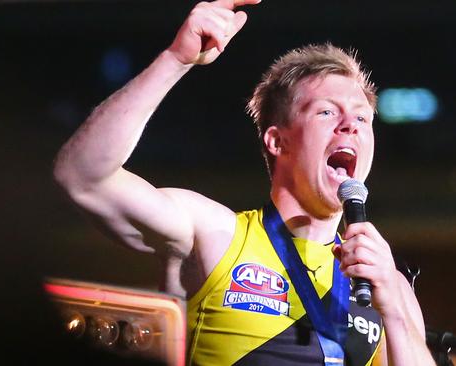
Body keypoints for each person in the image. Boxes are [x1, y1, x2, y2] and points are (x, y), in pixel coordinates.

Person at [53, 1, 436, 365]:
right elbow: (82, 177)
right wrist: (174, 60)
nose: (350, 125)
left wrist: (395, 315)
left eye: (362, 119)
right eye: (325, 112)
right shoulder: (216, 235)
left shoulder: (385, 282)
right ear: (277, 140)